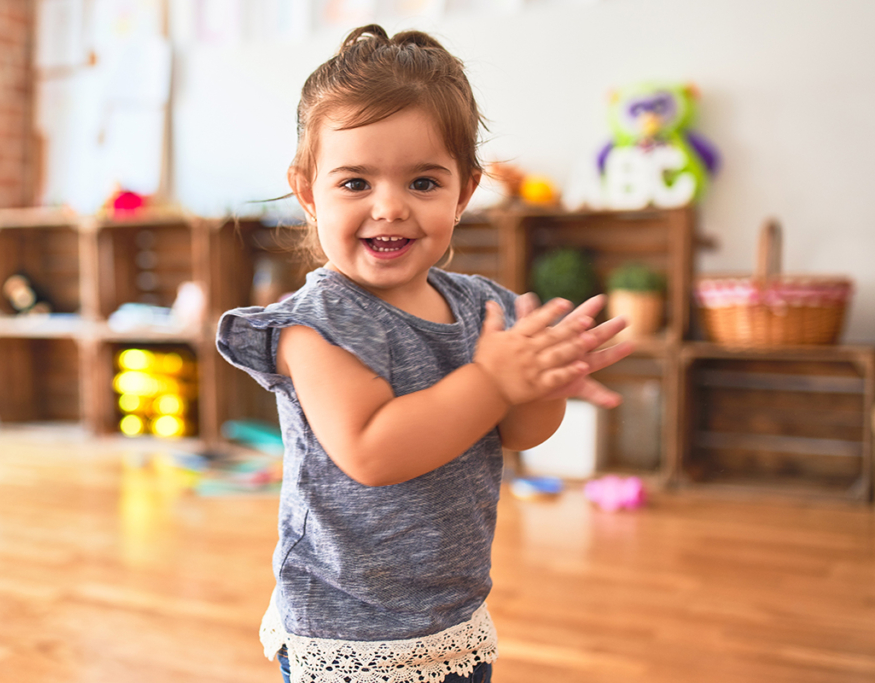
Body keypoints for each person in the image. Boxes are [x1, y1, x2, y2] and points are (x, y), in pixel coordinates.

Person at [217, 24, 634, 683]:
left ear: (464, 192)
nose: (390, 207)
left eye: (422, 182)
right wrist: (494, 379)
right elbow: (373, 451)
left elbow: (520, 431)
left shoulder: (481, 307)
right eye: (355, 183)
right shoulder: (316, 323)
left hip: (451, 615)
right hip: (346, 628)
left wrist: (542, 382)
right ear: (307, 191)